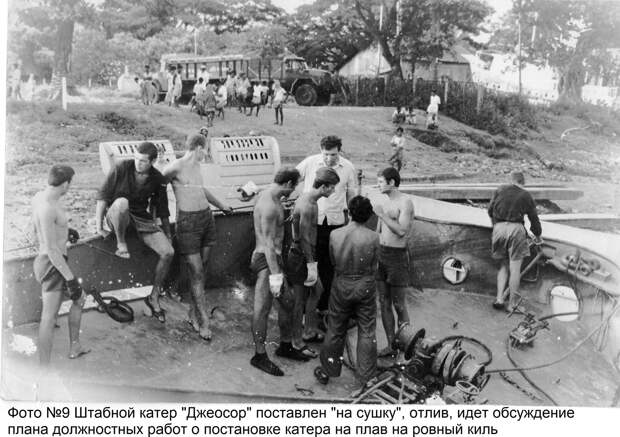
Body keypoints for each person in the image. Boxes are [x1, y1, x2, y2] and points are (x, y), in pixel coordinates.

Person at [95, 141, 174, 323]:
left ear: (152, 162)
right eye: (137, 158)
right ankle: (121, 243)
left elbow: (162, 209)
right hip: (116, 215)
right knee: (122, 202)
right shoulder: (122, 167)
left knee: (168, 252)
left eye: (143, 161)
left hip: (141, 219)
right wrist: (99, 227)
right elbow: (103, 195)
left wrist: (168, 234)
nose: (138, 163)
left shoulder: (157, 178)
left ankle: (154, 296)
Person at [164, 134, 233, 340]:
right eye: (206, 150)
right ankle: (203, 322)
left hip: (206, 218)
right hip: (187, 223)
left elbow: (200, 190)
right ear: (199, 148)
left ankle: (193, 314)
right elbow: (157, 191)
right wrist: (161, 221)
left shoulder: (197, 166)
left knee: (201, 270)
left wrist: (221, 205)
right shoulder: (174, 167)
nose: (207, 154)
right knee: (197, 272)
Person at [313, 196, 379, 388]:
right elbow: (374, 265)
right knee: (367, 330)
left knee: (335, 328)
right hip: (365, 283)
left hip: (342, 282)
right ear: (369, 216)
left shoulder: (335, 234)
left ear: (349, 213)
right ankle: (366, 377)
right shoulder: (374, 237)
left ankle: (327, 371)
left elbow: (333, 260)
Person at [250, 167, 308, 376]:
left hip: (275, 260)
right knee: (262, 309)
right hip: (266, 261)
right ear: (288, 184)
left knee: (288, 302)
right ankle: (259, 355)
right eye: (294, 187)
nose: (294, 191)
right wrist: (275, 277)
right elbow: (267, 244)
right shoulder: (269, 206)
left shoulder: (272, 196)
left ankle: (285, 346)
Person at [296, 136, 358, 324]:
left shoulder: (348, 167)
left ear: (340, 151)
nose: (329, 158)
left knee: (330, 267)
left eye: (333, 154)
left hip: (335, 223)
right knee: (310, 265)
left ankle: (323, 308)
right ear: (320, 150)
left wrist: (353, 220)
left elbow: (352, 194)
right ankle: (308, 311)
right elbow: (291, 178)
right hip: (312, 223)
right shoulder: (310, 163)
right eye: (326, 154)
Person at [32, 165, 88, 364]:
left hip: (49, 262)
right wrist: (70, 279)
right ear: (65, 184)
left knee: (80, 299)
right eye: (70, 184)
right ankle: (43, 369)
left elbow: (38, 230)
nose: (69, 187)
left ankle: (75, 346)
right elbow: (51, 249)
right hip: (52, 264)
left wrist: (65, 231)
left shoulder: (39, 197)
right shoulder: (48, 208)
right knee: (49, 318)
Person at [288, 167, 340, 352]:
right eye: (332, 187)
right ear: (323, 187)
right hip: (302, 256)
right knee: (300, 299)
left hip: (306, 254)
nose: (334, 190)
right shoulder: (309, 205)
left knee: (317, 290)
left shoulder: (309, 198)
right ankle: (297, 340)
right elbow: (303, 238)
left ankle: (309, 330)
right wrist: (311, 265)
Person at [373, 167, 415, 357]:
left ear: (391, 182)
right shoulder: (384, 201)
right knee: (383, 301)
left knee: (399, 304)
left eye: (380, 182)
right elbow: (378, 232)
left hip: (397, 257)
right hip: (381, 254)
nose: (378, 185)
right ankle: (391, 345)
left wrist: (381, 214)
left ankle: (406, 346)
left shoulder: (405, 202)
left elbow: (401, 231)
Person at [488, 172, 542, 311]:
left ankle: (499, 299)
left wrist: (496, 226)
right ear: (523, 182)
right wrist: (537, 234)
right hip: (516, 230)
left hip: (499, 229)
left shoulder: (500, 190)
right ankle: (512, 305)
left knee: (503, 265)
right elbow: (534, 219)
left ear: (511, 180)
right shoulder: (526, 195)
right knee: (515, 269)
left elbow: (490, 211)